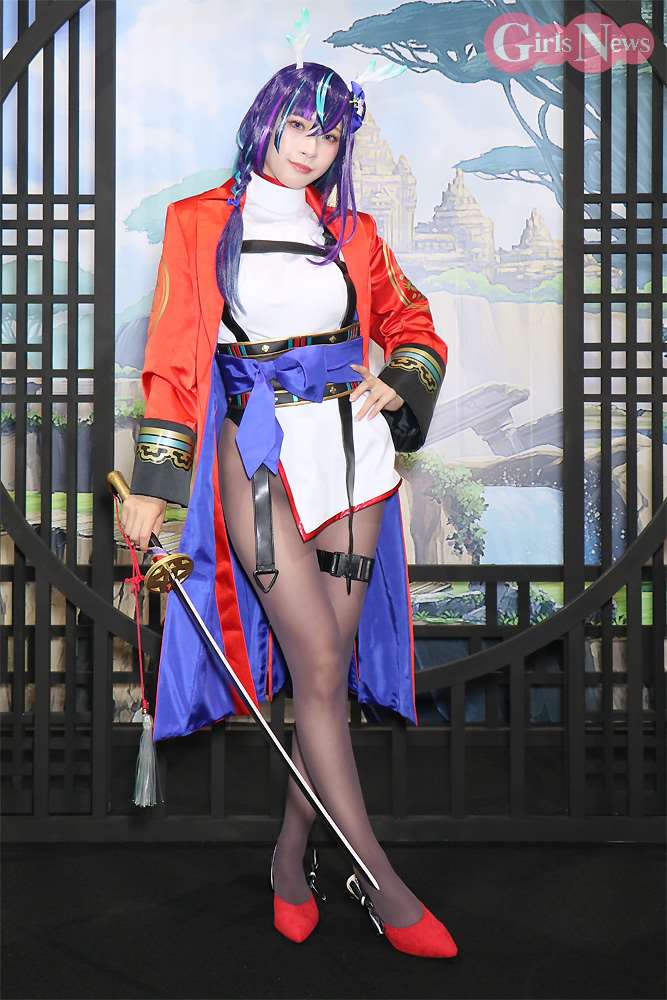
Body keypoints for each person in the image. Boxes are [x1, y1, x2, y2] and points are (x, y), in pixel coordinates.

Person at [122, 60, 457, 959]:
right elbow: (173, 360)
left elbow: (413, 320)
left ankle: (287, 856)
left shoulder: (353, 231)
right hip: (259, 458)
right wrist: (153, 487)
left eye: (330, 133)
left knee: (327, 673)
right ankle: (383, 885)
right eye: (300, 127)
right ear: (266, 123)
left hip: (356, 465)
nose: (313, 148)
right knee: (313, 660)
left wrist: (401, 375)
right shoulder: (199, 222)